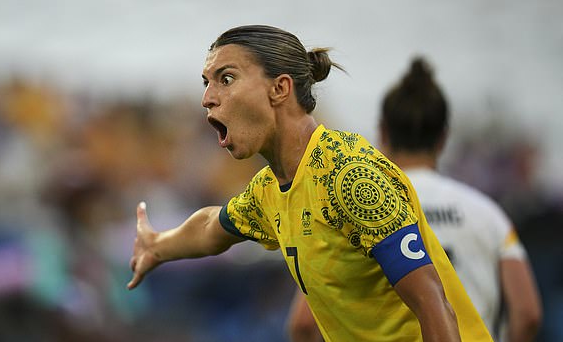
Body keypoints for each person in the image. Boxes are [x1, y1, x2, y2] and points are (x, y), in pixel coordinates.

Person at [127, 25, 492, 341]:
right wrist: (159, 246)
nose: (207, 98)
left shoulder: (350, 176)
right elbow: (212, 227)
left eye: (226, 79)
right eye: (206, 83)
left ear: (280, 89)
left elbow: (432, 302)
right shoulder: (270, 190)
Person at [286, 57, 542, 342]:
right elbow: (527, 313)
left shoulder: (355, 207)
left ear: (382, 132)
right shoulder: (490, 214)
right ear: (443, 137)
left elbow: (304, 324)